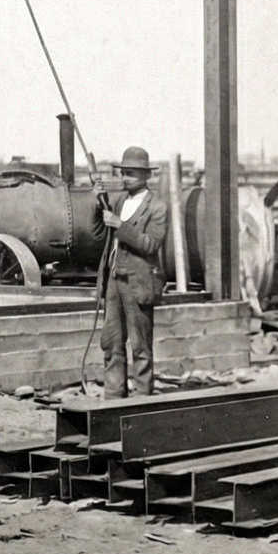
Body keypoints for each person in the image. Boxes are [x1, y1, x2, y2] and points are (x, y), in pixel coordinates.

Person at [92, 145, 169, 398]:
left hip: (139, 283)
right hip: (114, 279)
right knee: (112, 342)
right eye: (124, 172)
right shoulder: (119, 201)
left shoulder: (158, 207)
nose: (126, 177)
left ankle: (141, 400)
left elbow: (150, 244)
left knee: (140, 346)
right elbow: (97, 233)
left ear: (146, 176)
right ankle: (114, 398)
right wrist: (97, 203)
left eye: (132, 173)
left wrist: (120, 226)